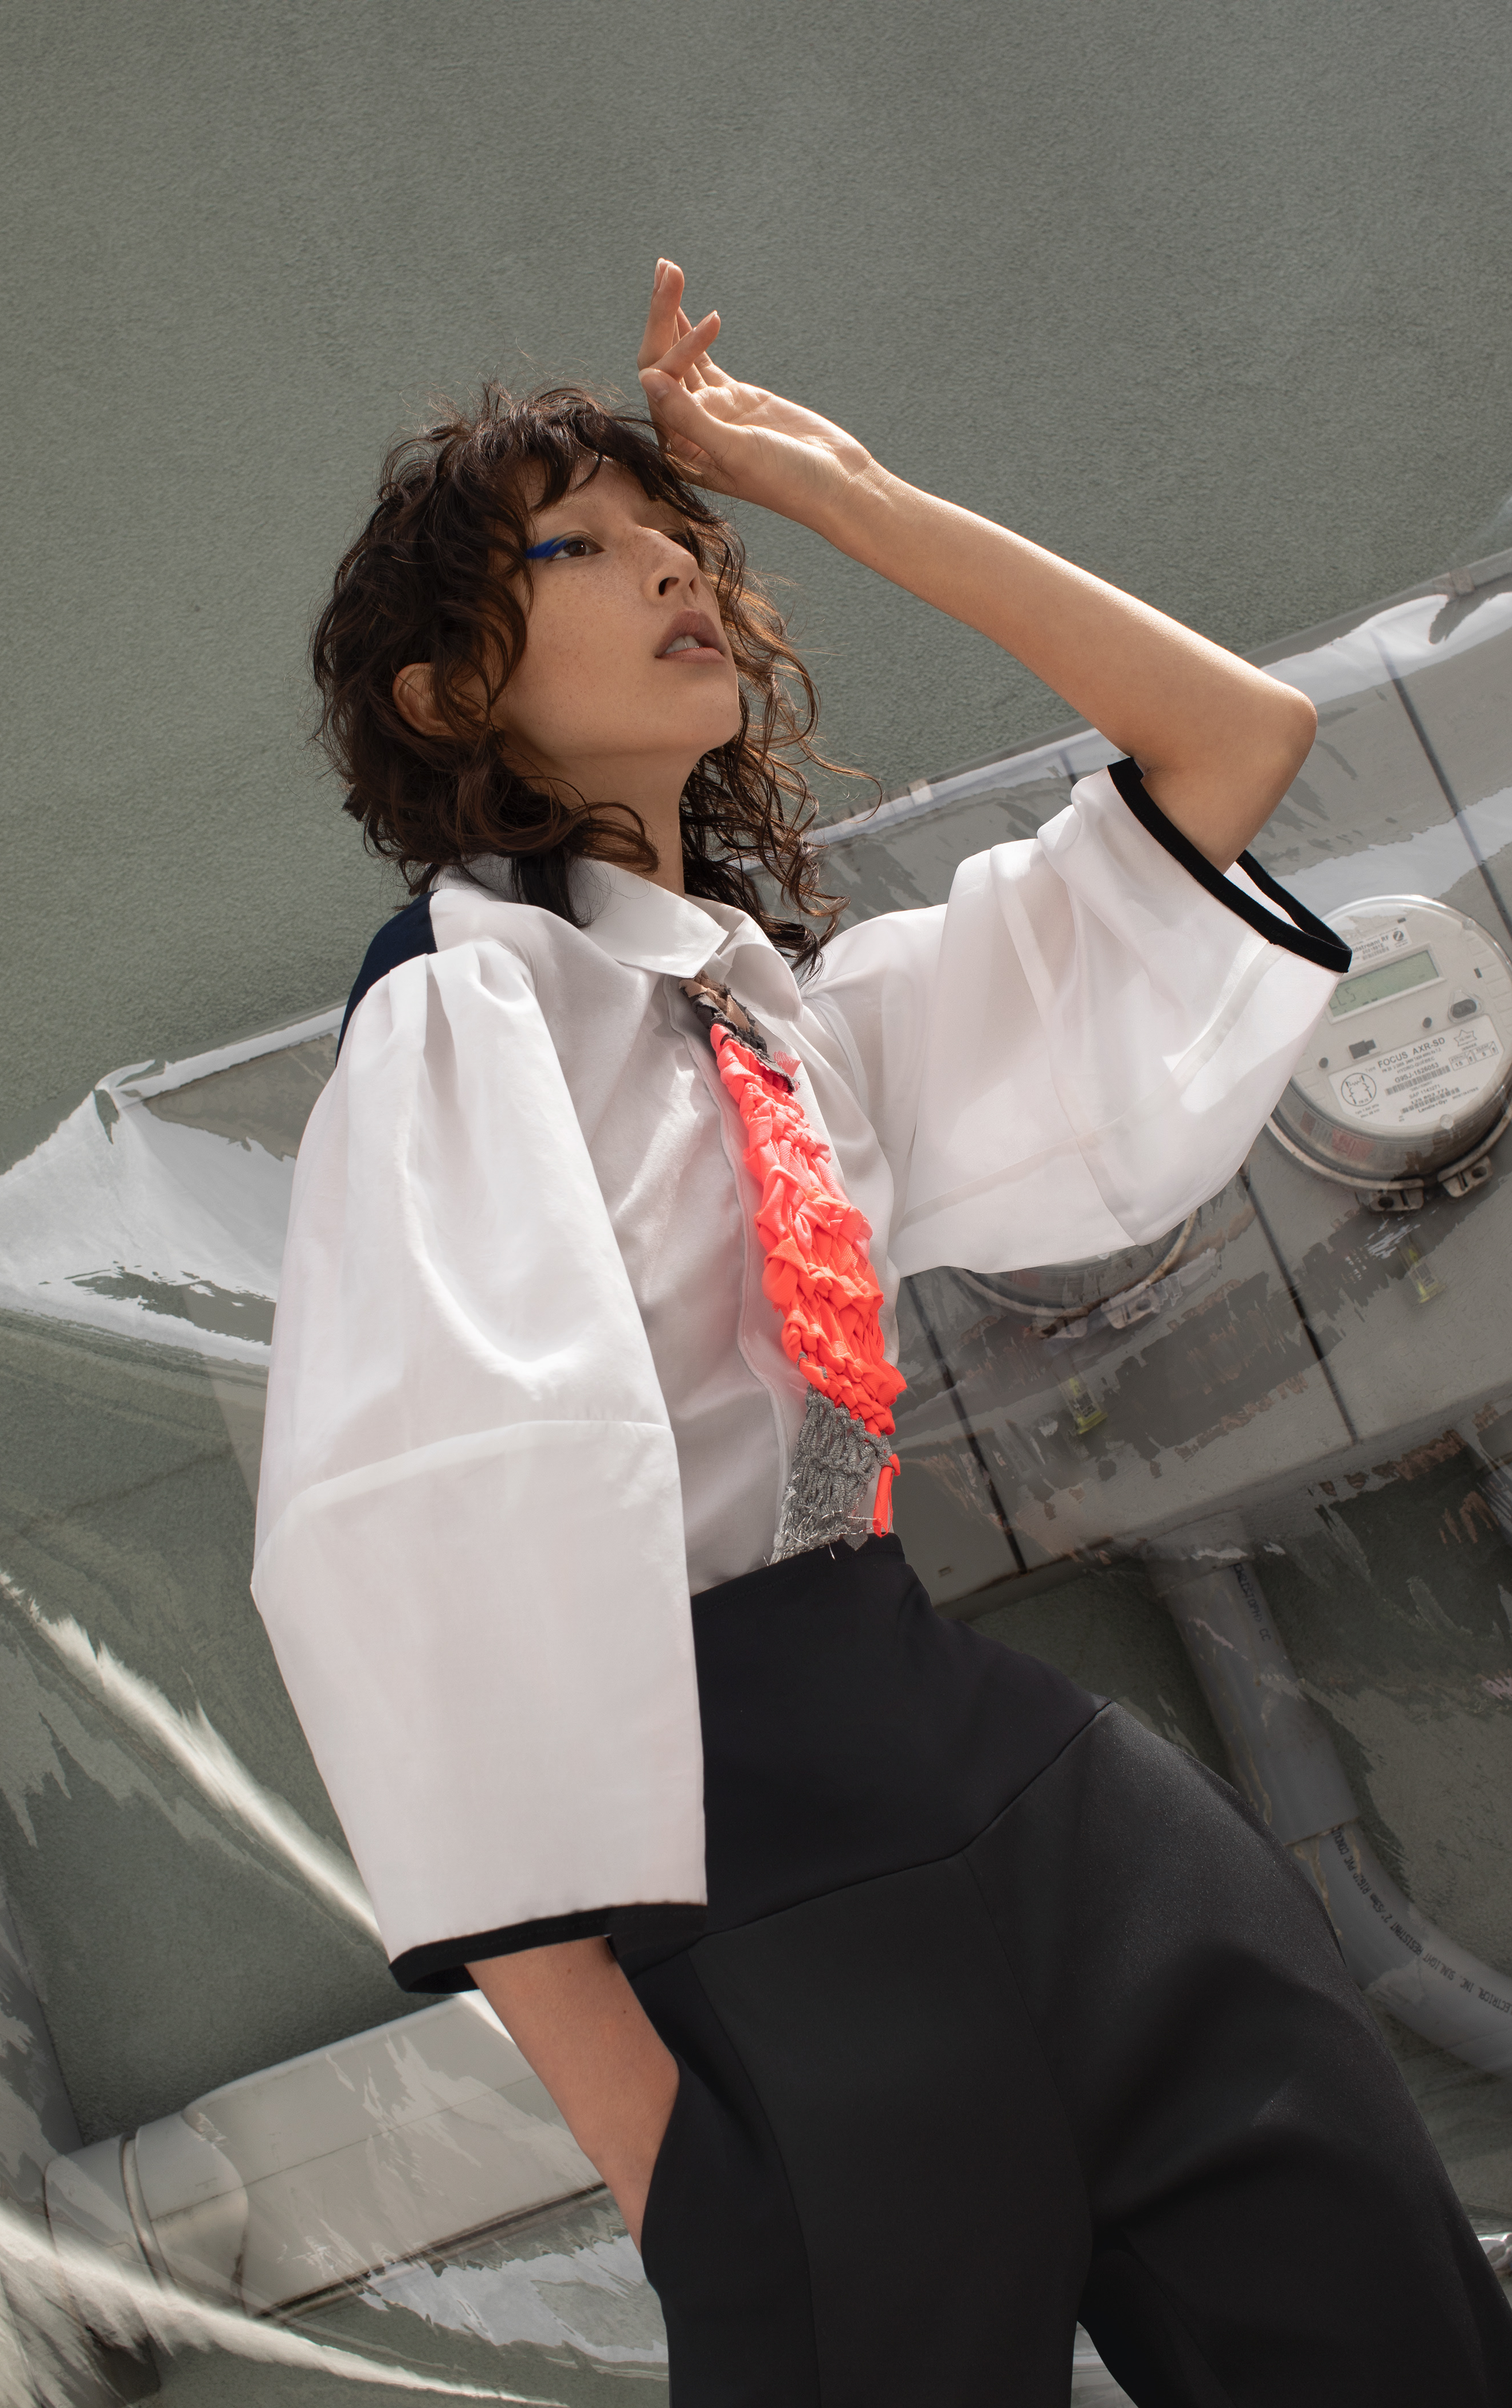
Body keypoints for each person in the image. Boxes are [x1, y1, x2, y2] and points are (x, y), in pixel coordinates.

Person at [251, 260, 1512, 2404]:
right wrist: (655, 2150)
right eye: (581, 547)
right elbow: (416, 1564)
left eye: (681, 538)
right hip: (753, 1888)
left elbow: (1234, 743)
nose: (675, 565)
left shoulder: (797, 1018)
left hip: (1015, 1784)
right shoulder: (464, 1018)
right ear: (448, 692)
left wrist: (837, 488)